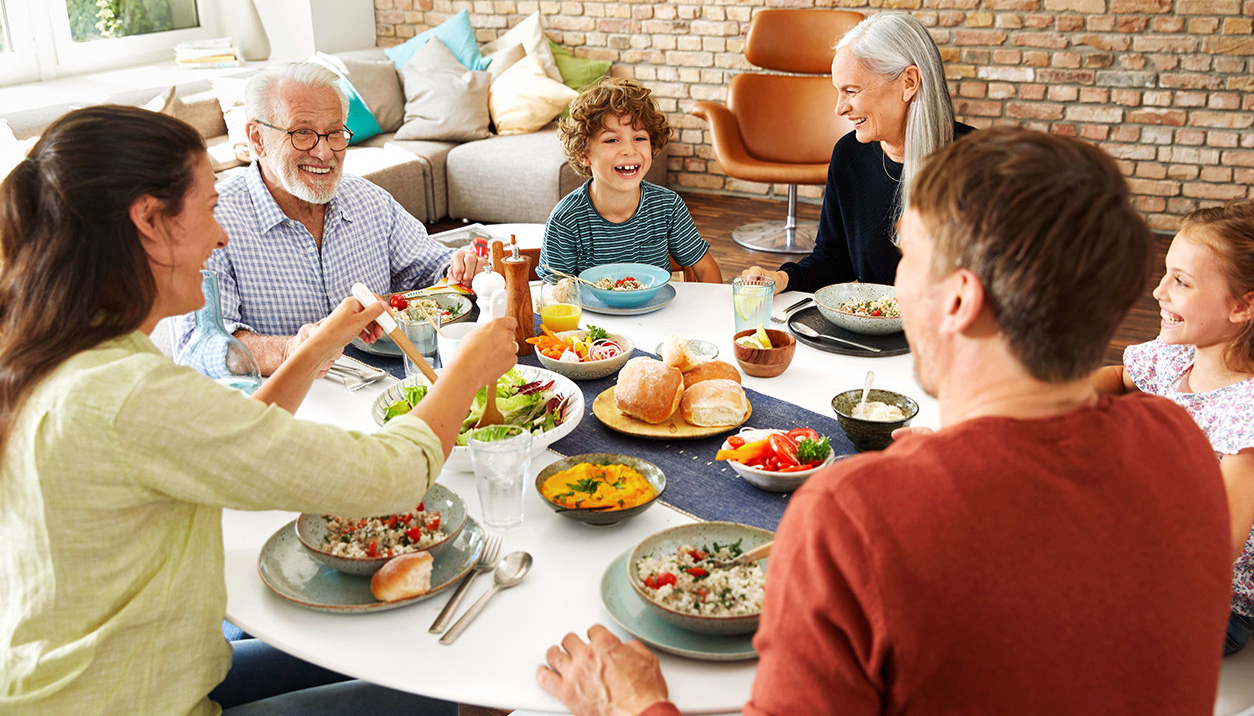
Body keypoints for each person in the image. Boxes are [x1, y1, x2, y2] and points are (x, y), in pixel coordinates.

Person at [536, 128, 1235, 715]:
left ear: (960, 301)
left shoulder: (854, 515)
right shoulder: (1179, 444)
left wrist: (633, 705)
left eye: (910, 261)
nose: (897, 285)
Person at [0, 104, 519, 715]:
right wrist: (466, 372)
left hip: (104, 674)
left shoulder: (60, 354)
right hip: (140, 701)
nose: (221, 235)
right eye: (210, 208)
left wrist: (320, 343)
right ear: (148, 219)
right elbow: (391, 478)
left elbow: (234, 436)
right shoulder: (128, 394)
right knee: (468, 689)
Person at [178, 62, 487, 375]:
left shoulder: (369, 201)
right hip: (284, 405)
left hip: (385, 389)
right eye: (302, 133)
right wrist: (288, 350)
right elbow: (198, 347)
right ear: (257, 139)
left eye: (335, 133)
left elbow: (433, 268)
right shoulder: (211, 223)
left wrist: (462, 268)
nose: (324, 152)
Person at [1094, 201, 1254, 655]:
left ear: (1242, 307)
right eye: (1165, 273)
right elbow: (1118, 378)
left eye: (1181, 281)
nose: (1158, 291)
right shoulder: (1182, 354)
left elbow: (1207, 549)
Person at [742, 12, 974, 293]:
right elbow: (833, 260)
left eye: (851, 91)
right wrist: (783, 278)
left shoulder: (981, 165)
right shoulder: (849, 155)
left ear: (909, 83)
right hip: (869, 333)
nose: (839, 109)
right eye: (838, 92)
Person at [536, 77, 721, 284]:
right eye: (612, 140)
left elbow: (704, 268)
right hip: (592, 317)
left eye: (639, 138)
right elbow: (553, 294)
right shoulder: (567, 219)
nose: (629, 150)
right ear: (583, 153)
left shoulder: (668, 207)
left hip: (658, 315)